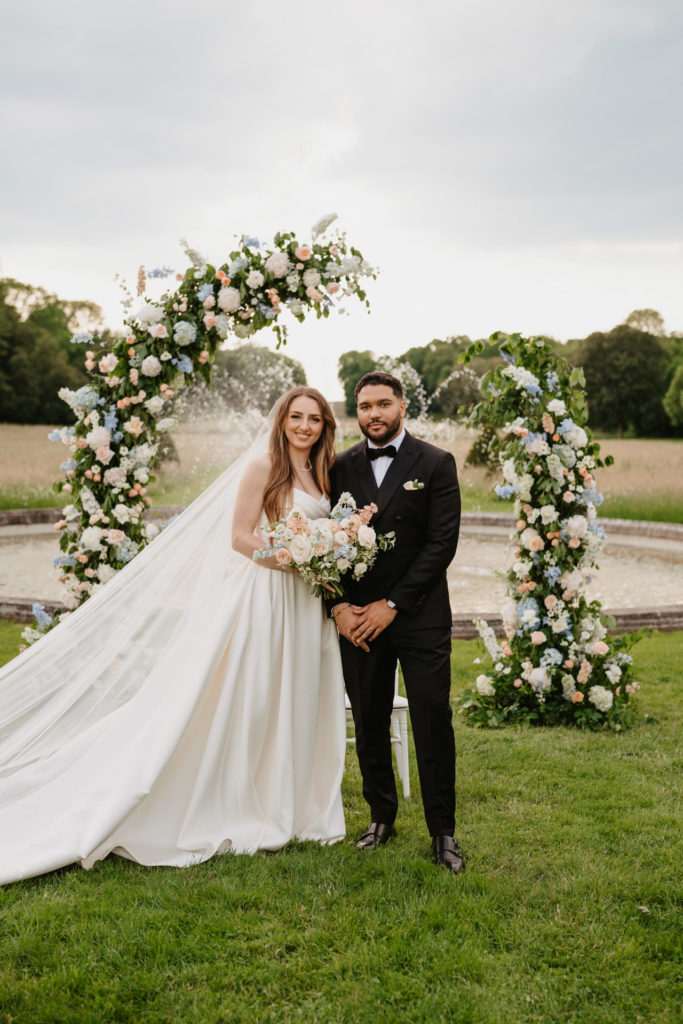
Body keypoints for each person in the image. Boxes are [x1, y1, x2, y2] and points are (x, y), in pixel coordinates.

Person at [0, 387, 346, 885]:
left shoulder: (323, 473)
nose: (305, 426)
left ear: (325, 426)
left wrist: (324, 558)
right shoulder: (263, 467)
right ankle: (235, 795)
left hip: (305, 603)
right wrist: (290, 559)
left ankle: (290, 798)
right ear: (283, 421)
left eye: (314, 419)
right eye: (297, 416)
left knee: (294, 695)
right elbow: (240, 536)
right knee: (252, 698)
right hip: (268, 595)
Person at [329, 371, 465, 874]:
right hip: (360, 620)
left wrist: (393, 603)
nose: (374, 414)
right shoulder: (339, 466)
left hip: (419, 615)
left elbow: (441, 544)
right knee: (369, 719)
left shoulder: (435, 462)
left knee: (432, 718)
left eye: (383, 404)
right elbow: (324, 543)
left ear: (402, 407)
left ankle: (443, 832)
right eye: (365, 406)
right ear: (357, 411)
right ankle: (380, 817)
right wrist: (340, 607)